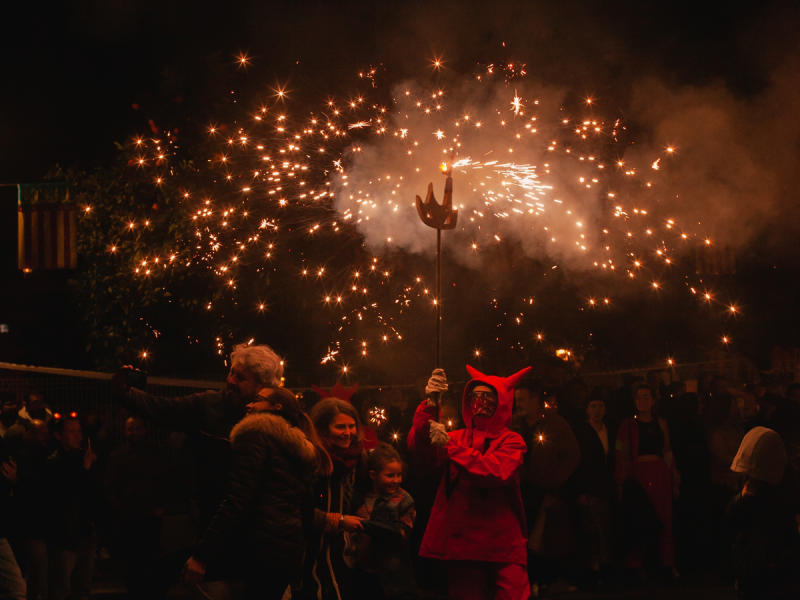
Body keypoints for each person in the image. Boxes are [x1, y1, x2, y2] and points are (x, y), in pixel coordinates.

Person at [110, 343, 284, 534]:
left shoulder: (278, 420)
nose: (231, 381)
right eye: (231, 372)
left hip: (262, 528)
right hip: (213, 521)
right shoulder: (208, 405)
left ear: (263, 387)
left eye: (240, 378)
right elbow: (162, 409)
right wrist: (125, 392)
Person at [181, 387, 328, 599]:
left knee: (160, 570)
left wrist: (202, 556)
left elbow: (237, 501)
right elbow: (306, 511)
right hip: (285, 557)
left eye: (257, 399)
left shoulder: (254, 434)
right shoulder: (299, 448)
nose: (249, 404)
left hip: (256, 551)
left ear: (276, 407)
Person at [409, 366, 531, 600]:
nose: (481, 401)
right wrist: (430, 407)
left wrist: (450, 446)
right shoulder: (456, 437)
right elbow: (421, 450)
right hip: (464, 543)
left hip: (503, 543)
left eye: (488, 396)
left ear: (501, 401)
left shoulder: (512, 441)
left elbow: (493, 472)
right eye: (476, 396)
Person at [514, 378, 581, 595]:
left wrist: (555, 481)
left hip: (543, 490)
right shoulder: (516, 425)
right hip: (519, 490)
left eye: (522, 399)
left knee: (542, 539)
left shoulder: (555, 423)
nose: (518, 404)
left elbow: (573, 455)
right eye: (517, 400)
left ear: (535, 400)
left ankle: (544, 580)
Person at [301, 398, 366, 600]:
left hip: (339, 547)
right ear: (322, 429)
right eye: (340, 427)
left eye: (351, 426)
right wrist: (334, 520)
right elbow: (297, 508)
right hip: (308, 546)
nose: (348, 432)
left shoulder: (358, 458)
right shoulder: (309, 457)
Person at [614, 383, 679, 578]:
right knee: (638, 519)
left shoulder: (661, 423)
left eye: (646, 397)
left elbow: (667, 450)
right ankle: (634, 565)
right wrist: (621, 480)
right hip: (638, 475)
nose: (643, 401)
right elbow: (621, 453)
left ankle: (667, 563)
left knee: (665, 519)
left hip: (659, 474)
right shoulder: (627, 425)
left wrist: (673, 478)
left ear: (653, 400)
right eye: (639, 397)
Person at [726, 427, 800, 599]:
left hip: (778, 576)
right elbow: (730, 520)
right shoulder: (748, 482)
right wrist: (740, 499)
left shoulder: (790, 486)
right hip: (751, 569)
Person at [105, 416, 170, 597]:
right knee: (132, 561)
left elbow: (166, 481)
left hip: (151, 516)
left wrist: (161, 507)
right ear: (125, 432)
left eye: (138, 428)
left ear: (145, 430)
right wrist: (123, 512)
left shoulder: (156, 453)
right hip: (130, 518)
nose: (135, 433)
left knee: (152, 558)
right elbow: (111, 487)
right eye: (131, 429)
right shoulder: (118, 455)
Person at [351, 442, 416, 600]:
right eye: (390, 475)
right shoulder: (359, 497)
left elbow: (401, 532)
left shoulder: (403, 500)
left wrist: (365, 525)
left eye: (398, 475)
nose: (396, 480)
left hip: (390, 575)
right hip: (361, 571)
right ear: (373, 475)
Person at [45, 416, 99, 600]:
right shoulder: (54, 463)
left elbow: (93, 496)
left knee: (82, 588)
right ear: (59, 436)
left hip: (85, 533)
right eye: (71, 432)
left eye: (79, 432)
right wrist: (84, 470)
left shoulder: (84, 459)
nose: (78, 436)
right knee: (61, 587)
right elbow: (64, 498)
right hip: (64, 537)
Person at [12, 419, 51, 600]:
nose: (46, 436)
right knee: (42, 570)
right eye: (41, 433)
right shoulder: (24, 458)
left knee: (35, 572)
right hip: (31, 524)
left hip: (41, 523)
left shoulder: (45, 456)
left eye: (47, 432)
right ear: (30, 435)